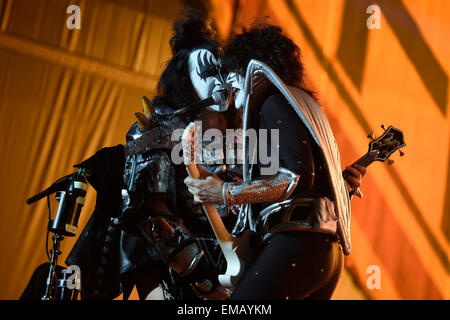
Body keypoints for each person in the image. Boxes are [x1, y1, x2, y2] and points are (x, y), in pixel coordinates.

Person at [185, 23, 366, 300]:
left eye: (233, 76)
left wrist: (225, 193)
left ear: (249, 66)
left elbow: (292, 179)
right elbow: (311, 184)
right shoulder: (301, 106)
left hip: (295, 244)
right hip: (322, 252)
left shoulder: (272, 102)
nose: (231, 95)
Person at [66, 9, 234, 300]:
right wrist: (204, 281)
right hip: (174, 275)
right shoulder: (156, 129)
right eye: (208, 72)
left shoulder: (237, 137)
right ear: (186, 79)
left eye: (221, 72)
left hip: (231, 267)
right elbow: (153, 217)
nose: (219, 82)